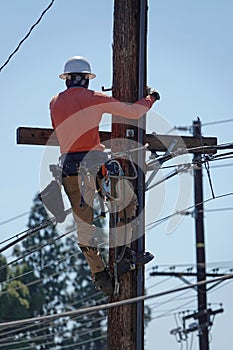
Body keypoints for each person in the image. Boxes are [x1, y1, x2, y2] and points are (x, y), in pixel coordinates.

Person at [49, 56, 160, 296]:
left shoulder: (54, 102)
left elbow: (59, 132)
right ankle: (124, 255)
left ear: (67, 80)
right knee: (127, 202)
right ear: (86, 80)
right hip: (95, 165)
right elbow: (133, 112)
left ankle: (100, 275)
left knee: (85, 228)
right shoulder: (94, 99)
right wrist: (151, 97)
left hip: (69, 170)